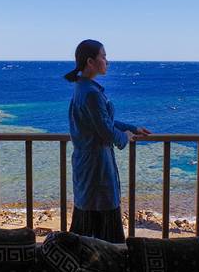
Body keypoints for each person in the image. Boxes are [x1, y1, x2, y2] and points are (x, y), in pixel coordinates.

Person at [65, 40, 151, 243]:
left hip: (87, 164)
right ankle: (109, 260)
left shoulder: (82, 88)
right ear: (90, 61)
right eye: (103, 56)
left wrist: (132, 128)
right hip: (97, 167)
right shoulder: (91, 93)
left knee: (86, 218)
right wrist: (125, 136)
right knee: (104, 221)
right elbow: (106, 131)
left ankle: (80, 258)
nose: (107, 61)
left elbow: (103, 121)